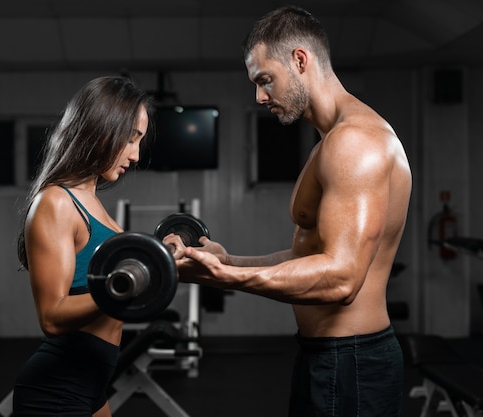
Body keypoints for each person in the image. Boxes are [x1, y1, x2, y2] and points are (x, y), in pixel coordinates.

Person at [164, 6, 412, 417]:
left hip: (349, 361)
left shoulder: (355, 143)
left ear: (300, 60)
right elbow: (311, 257)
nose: (259, 97)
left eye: (265, 80)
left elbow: (341, 279)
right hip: (329, 356)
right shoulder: (329, 143)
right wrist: (226, 262)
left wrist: (231, 278)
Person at [12, 76, 153, 416]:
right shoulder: (57, 202)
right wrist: (122, 288)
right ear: (103, 129)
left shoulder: (91, 201)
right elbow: (52, 317)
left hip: (92, 385)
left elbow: (120, 278)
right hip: (56, 391)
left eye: (140, 141)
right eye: (131, 138)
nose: (135, 155)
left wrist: (164, 257)